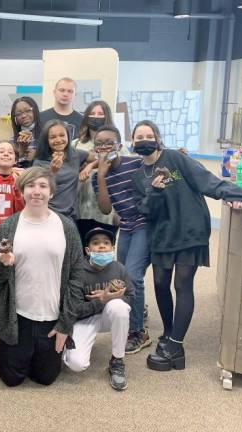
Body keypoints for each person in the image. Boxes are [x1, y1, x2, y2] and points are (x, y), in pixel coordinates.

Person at [131, 120, 242, 371]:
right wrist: (155, 191)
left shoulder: (174, 158)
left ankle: (175, 343)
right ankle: (170, 334)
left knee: (182, 284)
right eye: (139, 136)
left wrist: (232, 193)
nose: (144, 140)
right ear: (132, 142)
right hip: (162, 233)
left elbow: (203, 178)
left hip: (190, 227)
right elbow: (146, 211)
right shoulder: (138, 175)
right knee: (160, 284)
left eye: (149, 135)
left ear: (158, 138)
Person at [0, 166, 85, 387]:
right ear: (22, 191)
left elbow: (77, 277)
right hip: (17, 317)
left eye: (42, 186)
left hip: (51, 318)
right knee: (11, 379)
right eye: (30, 185)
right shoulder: (8, 226)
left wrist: (65, 325)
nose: (36, 191)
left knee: (46, 378)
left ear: (51, 192)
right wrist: (2, 265)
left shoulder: (66, 227)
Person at [93, 124, 151, 354]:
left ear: (119, 145)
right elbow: (106, 209)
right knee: (123, 276)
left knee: (134, 276)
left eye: (109, 142)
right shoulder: (98, 173)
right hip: (125, 227)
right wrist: (100, 176)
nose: (105, 147)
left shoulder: (134, 162)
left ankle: (138, 331)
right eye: (100, 144)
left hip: (145, 224)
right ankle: (137, 310)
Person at [63, 227, 133, 391]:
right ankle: (70, 343)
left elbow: (130, 297)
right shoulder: (78, 270)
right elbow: (74, 310)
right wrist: (103, 299)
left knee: (119, 307)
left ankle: (117, 360)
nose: (102, 246)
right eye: (96, 243)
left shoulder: (119, 268)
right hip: (84, 319)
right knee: (76, 364)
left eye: (106, 243)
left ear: (113, 248)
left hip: (109, 316)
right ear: (88, 250)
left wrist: (110, 299)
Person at [73, 101, 119, 243]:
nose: (96, 117)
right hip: (80, 207)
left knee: (102, 251)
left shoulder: (117, 145)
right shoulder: (75, 144)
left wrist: (91, 164)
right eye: (92, 113)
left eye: (100, 114)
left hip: (106, 211)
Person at [33, 120, 94, 219]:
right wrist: (52, 172)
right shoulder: (39, 162)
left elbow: (100, 159)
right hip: (47, 214)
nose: (58, 140)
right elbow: (37, 191)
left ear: (68, 136)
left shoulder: (75, 154)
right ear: (46, 140)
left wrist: (89, 166)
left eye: (62, 135)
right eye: (53, 137)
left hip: (70, 215)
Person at [10, 97, 41, 168]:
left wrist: (37, 155)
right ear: (15, 118)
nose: (23, 116)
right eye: (18, 114)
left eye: (27, 111)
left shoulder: (46, 134)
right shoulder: (12, 141)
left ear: (35, 110)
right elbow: (9, 167)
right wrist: (21, 153)